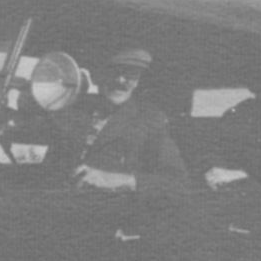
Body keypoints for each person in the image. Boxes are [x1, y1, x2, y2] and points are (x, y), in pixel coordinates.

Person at [50, 48, 189, 192]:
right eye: (114, 72)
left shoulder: (150, 120)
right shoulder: (71, 109)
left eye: (131, 75)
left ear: (138, 81)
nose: (120, 81)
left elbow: (176, 181)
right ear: (99, 76)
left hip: (110, 204)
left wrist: (116, 180)